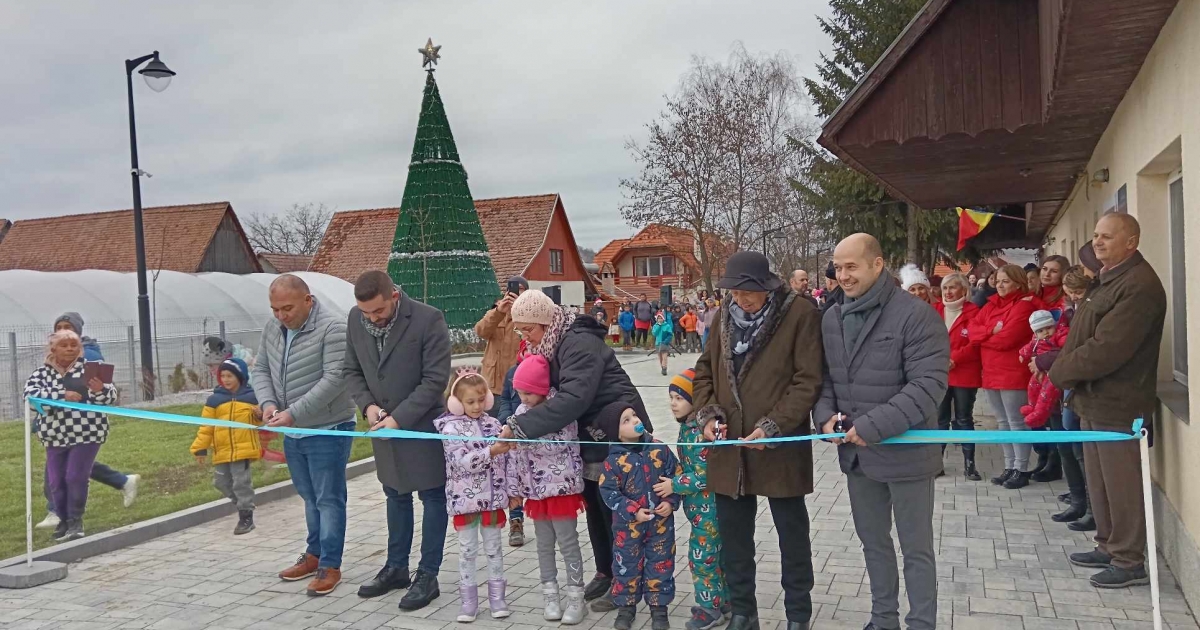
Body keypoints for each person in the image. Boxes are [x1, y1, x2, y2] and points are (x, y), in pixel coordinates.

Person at [815, 233, 949, 630]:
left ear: (877, 264)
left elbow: (928, 386)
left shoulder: (916, 316)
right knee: (873, 543)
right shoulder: (832, 318)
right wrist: (825, 416)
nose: (843, 275)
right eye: (838, 268)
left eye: (851, 267)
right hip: (859, 458)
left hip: (907, 456)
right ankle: (883, 618)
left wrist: (872, 426)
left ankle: (921, 622)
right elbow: (827, 379)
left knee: (916, 549)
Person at [692, 250, 824, 630]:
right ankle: (743, 612)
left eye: (747, 291)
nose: (740, 298)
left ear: (766, 286)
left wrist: (774, 426)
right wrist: (709, 416)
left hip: (779, 447)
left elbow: (808, 379)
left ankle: (798, 614)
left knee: (792, 536)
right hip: (730, 448)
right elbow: (704, 371)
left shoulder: (799, 314)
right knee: (735, 539)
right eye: (734, 291)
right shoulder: (723, 317)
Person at [501, 289, 653, 613]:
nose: (525, 337)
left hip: (616, 429)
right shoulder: (551, 342)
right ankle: (606, 571)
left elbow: (573, 399)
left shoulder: (578, 342)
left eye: (528, 329)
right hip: (590, 434)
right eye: (520, 330)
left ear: (545, 322)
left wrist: (519, 427)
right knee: (595, 507)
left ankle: (625, 582)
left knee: (615, 511)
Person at [1051, 213, 1166, 588]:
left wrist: (1059, 371)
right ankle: (1108, 544)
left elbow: (1107, 349)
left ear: (1131, 242)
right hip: (1092, 398)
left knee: (1121, 485)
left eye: (1107, 237)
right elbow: (1083, 335)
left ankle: (1129, 560)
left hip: (1118, 404)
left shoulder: (1138, 285)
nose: (1097, 242)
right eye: (1096, 235)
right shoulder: (1107, 279)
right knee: (1100, 483)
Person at [343, 271, 451, 609]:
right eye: (366, 313)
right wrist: (368, 406)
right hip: (382, 427)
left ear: (394, 296)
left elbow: (434, 380)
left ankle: (428, 574)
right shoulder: (355, 319)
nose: (372, 318)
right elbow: (351, 371)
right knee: (395, 494)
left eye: (378, 310)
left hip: (420, 426)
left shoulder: (428, 319)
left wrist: (398, 418)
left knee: (432, 497)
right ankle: (396, 567)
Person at [253, 274, 355, 597]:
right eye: (275, 309)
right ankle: (314, 554)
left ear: (308, 300)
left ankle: (330, 565)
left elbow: (334, 379)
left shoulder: (333, 328)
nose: (281, 316)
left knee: (328, 498)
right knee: (310, 496)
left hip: (328, 428)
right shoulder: (273, 329)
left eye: (287, 308)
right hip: (292, 429)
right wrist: (269, 405)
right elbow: (261, 370)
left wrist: (293, 412)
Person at [35, 313, 140, 531]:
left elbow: (106, 393)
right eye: (59, 328)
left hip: (85, 428)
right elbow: (35, 395)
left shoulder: (89, 357)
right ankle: (121, 481)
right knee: (64, 472)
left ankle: (64, 516)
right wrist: (49, 406)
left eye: (68, 327)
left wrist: (98, 390)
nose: (63, 331)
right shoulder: (47, 365)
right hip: (56, 429)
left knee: (73, 472)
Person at [505, 355, 588, 625]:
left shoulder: (561, 409)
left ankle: (576, 596)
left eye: (528, 393)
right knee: (543, 545)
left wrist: (524, 440)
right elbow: (515, 457)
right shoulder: (520, 414)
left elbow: (559, 445)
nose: (524, 398)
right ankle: (550, 595)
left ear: (542, 388)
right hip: (536, 493)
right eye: (519, 393)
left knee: (568, 543)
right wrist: (515, 489)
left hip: (561, 489)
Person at [434, 369, 512, 623]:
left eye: (481, 399)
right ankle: (468, 602)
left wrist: (512, 491)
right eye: (470, 401)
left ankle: (497, 598)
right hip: (465, 502)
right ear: (456, 402)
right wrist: (491, 452)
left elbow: (508, 461)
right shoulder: (450, 429)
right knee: (467, 551)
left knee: (494, 549)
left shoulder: (494, 425)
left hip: (492, 500)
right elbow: (462, 463)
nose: (477, 406)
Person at [25, 329, 117, 542]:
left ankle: (76, 520)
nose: (69, 349)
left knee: (75, 476)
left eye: (74, 345)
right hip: (54, 436)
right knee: (56, 482)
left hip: (87, 433)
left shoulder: (91, 369)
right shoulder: (41, 373)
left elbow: (110, 397)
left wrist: (100, 390)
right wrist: (61, 396)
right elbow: (30, 399)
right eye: (64, 345)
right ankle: (63, 520)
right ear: (53, 349)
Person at [596, 402, 681, 630]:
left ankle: (659, 609)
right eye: (626, 420)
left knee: (661, 564)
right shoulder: (613, 461)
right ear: (616, 433)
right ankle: (626, 608)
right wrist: (633, 511)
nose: (635, 420)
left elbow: (676, 475)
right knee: (626, 566)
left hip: (660, 525)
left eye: (634, 415)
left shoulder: (659, 449)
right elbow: (609, 492)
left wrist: (670, 502)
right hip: (628, 528)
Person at [654, 369, 728, 630]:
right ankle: (723, 602)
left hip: (709, 511)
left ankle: (709, 609)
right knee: (716, 557)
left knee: (702, 559)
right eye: (671, 398)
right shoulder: (688, 428)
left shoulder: (698, 432)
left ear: (695, 400)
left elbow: (705, 474)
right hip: (700, 511)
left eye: (679, 398)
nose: (673, 404)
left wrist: (673, 484)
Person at [968, 264, 1039, 489]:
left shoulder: (1024, 306)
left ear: (1018, 283)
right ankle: (1009, 465)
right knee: (1002, 422)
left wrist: (984, 337)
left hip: (1013, 372)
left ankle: (1021, 468)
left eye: (1005, 281)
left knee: (1017, 422)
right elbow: (972, 331)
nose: (1000, 285)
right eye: (998, 281)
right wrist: (991, 331)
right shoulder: (990, 305)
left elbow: (1007, 339)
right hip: (990, 371)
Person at [1037, 266, 1093, 529]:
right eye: (1070, 293)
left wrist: (1042, 360)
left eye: (1077, 292)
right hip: (1061, 384)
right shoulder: (1068, 311)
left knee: (1079, 446)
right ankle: (1078, 499)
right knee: (1065, 442)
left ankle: (1091, 506)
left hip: (1075, 383)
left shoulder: (1088, 311)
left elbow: (1073, 349)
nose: (1073, 297)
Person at [192, 357, 261, 535]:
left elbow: (259, 423)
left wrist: (259, 415)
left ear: (240, 376)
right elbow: (206, 427)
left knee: (241, 483)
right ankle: (242, 505)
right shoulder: (214, 400)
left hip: (243, 450)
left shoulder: (252, 398)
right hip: (222, 450)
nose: (226, 379)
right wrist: (200, 448)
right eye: (223, 376)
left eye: (230, 375)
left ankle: (246, 516)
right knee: (220, 482)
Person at [934, 272, 983, 481]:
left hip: (964, 372)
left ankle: (969, 464)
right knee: (940, 419)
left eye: (953, 287)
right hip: (940, 373)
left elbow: (975, 342)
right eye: (945, 288)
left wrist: (955, 358)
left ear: (964, 290)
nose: (948, 292)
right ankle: (936, 463)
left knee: (964, 418)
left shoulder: (974, 312)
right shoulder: (936, 310)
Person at [1018, 310, 1062, 429]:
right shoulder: (1036, 341)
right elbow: (1028, 347)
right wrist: (1022, 354)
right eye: (1040, 331)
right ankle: (1032, 406)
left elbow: (1064, 346)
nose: (1046, 333)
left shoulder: (1058, 337)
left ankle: (1040, 413)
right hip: (1040, 370)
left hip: (1053, 372)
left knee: (1047, 393)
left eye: (1049, 328)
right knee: (1032, 386)